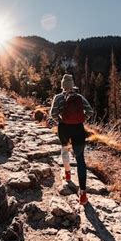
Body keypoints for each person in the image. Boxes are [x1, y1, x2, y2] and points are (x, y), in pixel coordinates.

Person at [48, 74, 94, 205]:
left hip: (64, 128)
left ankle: (67, 173)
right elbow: (90, 111)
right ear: (72, 85)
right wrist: (81, 119)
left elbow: (53, 114)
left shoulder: (58, 98)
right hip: (78, 129)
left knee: (64, 149)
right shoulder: (79, 97)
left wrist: (61, 120)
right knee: (80, 159)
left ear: (62, 86)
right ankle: (83, 194)